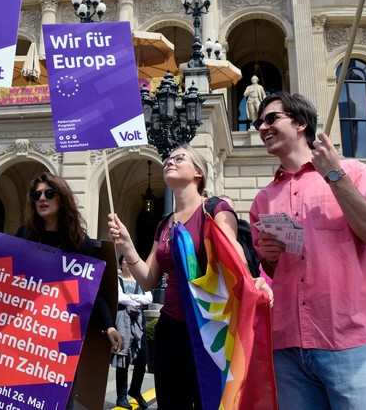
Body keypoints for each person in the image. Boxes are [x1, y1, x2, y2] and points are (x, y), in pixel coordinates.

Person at [250, 92, 366, 410]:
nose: (262, 127)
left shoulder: (352, 171)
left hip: (350, 343)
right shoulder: (263, 199)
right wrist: (271, 259)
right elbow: (275, 272)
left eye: (271, 118)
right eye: (259, 122)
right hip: (288, 348)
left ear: (301, 123)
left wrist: (334, 175)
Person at [108, 145, 271, 409]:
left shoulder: (215, 208)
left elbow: (234, 253)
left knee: (211, 402)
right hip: (171, 328)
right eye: (168, 158)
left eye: (179, 158)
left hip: (211, 327)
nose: (169, 161)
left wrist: (253, 281)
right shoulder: (164, 223)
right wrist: (127, 245)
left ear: (198, 172)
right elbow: (148, 279)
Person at [18, 173, 124, 409]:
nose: (42, 199)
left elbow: (89, 292)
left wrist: (109, 325)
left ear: (62, 198)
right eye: (36, 195)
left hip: (62, 336)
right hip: (26, 332)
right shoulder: (23, 235)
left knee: (59, 401)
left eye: (49, 193)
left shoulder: (79, 241)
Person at [112, 255, 152, 409]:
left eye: (130, 261)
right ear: (121, 264)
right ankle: (121, 396)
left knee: (142, 360)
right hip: (122, 324)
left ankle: (135, 390)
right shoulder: (117, 280)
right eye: (124, 261)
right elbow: (120, 298)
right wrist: (137, 299)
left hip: (139, 325)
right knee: (123, 360)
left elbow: (148, 299)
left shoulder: (141, 281)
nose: (127, 263)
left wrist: (130, 297)